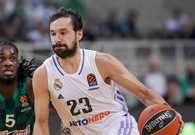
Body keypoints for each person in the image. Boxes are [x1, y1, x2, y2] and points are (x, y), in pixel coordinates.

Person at [32, 7, 183, 135]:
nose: (57, 39)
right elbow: (41, 123)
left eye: (63, 33)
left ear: (79, 34)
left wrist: (171, 113)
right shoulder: (43, 74)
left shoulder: (101, 62)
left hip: (118, 127)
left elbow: (144, 93)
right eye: (53, 34)